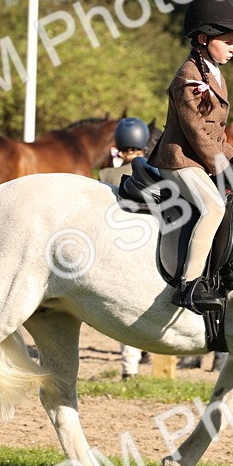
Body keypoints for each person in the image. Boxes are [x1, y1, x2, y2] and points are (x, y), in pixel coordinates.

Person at [149, 0, 233, 312]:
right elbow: (196, 130)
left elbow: (217, 132)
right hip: (180, 160)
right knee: (213, 207)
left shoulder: (213, 75)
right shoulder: (189, 77)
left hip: (199, 160)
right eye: (228, 41)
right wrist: (219, 165)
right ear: (203, 38)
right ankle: (189, 284)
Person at [100, 117, 154, 379]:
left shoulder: (105, 173)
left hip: (112, 245)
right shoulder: (152, 170)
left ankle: (128, 369)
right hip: (147, 242)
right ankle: (144, 356)